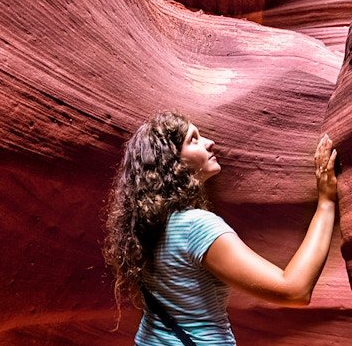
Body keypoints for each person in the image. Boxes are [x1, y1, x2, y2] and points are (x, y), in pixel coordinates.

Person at [103, 111, 338, 345]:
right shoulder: (196, 226)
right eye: (193, 139)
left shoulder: (147, 224)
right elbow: (294, 290)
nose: (209, 143)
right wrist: (326, 202)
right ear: (172, 163)